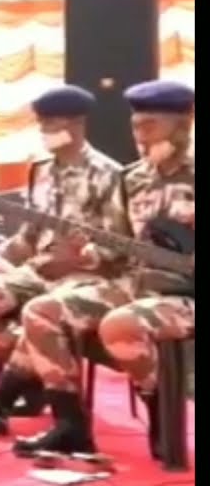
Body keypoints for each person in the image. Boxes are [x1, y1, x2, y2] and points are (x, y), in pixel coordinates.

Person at [0, 85, 127, 438]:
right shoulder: (40, 172)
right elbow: (28, 237)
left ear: (76, 123)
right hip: (36, 272)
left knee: (41, 313)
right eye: (41, 123)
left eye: (50, 123)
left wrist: (78, 259)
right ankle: (39, 369)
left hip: (83, 278)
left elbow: (119, 247)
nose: (43, 130)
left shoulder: (110, 175)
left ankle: (0, 400)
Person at [97, 80, 195, 461]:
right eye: (136, 126)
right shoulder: (130, 179)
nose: (140, 136)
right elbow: (114, 244)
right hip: (142, 287)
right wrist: (85, 251)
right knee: (49, 307)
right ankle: (70, 424)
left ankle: (163, 413)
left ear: (183, 124)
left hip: (186, 295)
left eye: (150, 125)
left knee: (120, 325)